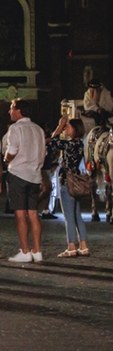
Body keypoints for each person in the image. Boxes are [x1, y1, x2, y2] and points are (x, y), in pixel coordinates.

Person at [2, 99, 48, 263]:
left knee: (20, 214)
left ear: (19, 111)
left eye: (12, 108)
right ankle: (37, 250)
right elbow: (43, 153)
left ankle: (25, 251)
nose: (9, 111)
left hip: (18, 174)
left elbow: (12, 151)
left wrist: (7, 158)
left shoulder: (15, 128)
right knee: (34, 213)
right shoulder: (38, 129)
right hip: (34, 175)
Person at [47, 117, 90, 257]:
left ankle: (71, 246)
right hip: (76, 181)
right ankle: (83, 245)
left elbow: (52, 143)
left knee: (69, 217)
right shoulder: (80, 144)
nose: (66, 129)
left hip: (67, 181)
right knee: (77, 215)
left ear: (75, 129)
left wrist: (59, 126)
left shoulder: (69, 145)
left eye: (68, 127)